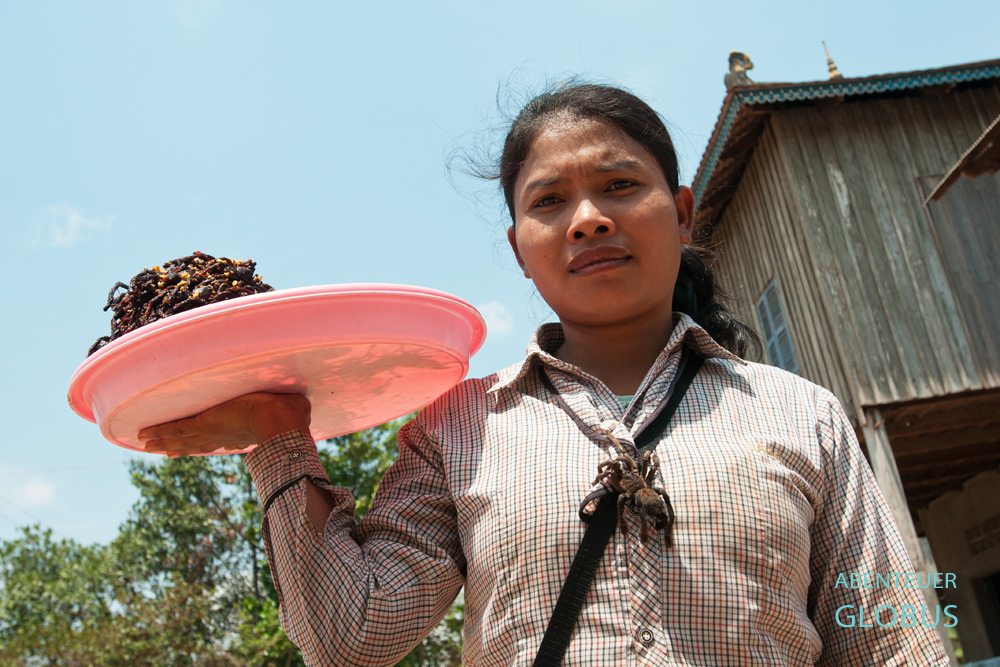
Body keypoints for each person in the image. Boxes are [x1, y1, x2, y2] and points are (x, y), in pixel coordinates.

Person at [138, 83, 949, 666]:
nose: (589, 217)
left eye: (620, 186)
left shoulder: (799, 414)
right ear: (521, 249)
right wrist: (279, 438)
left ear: (684, 211)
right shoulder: (459, 424)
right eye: (550, 201)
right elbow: (355, 636)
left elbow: (889, 639)